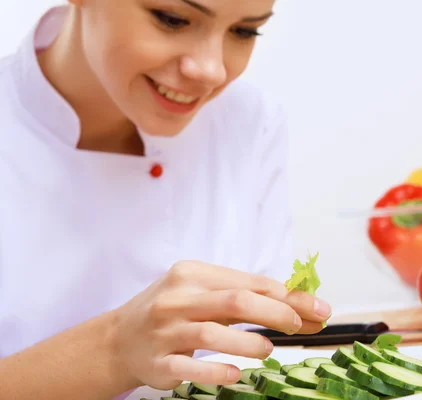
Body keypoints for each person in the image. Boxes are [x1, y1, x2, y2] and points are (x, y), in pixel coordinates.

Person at [0, 0, 332, 399]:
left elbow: (257, 352)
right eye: (172, 19)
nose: (212, 71)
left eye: (244, 31)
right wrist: (114, 351)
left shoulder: (250, 121)